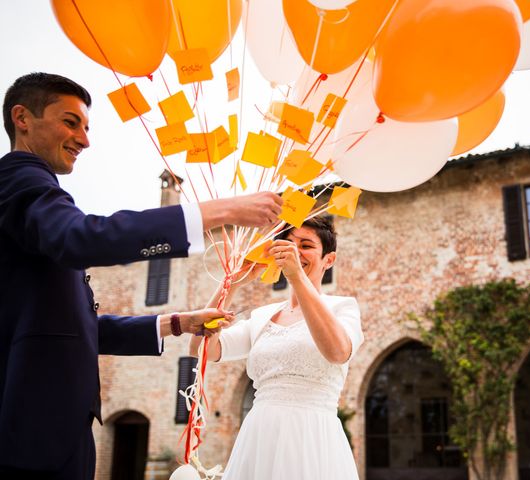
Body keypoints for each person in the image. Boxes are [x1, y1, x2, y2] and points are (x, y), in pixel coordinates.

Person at [0, 72, 282, 479]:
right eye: (70, 121)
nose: (84, 139)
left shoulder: (34, 190)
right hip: (34, 432)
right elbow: (82, 238)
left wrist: (177, 323)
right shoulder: (19, 179)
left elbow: (76, 328)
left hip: (56, 430)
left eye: (86, 126)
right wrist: (219, 212)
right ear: (22, 118)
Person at [189, 215, 364, 479]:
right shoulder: (261, 316)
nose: (294, 250)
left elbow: (337, 352)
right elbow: (202, 349)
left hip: (311, 435)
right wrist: (232, 283)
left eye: (305, 245)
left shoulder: (342, 307)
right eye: (289, 242)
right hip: (260, 435)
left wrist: (297, 277)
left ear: (329, 260)